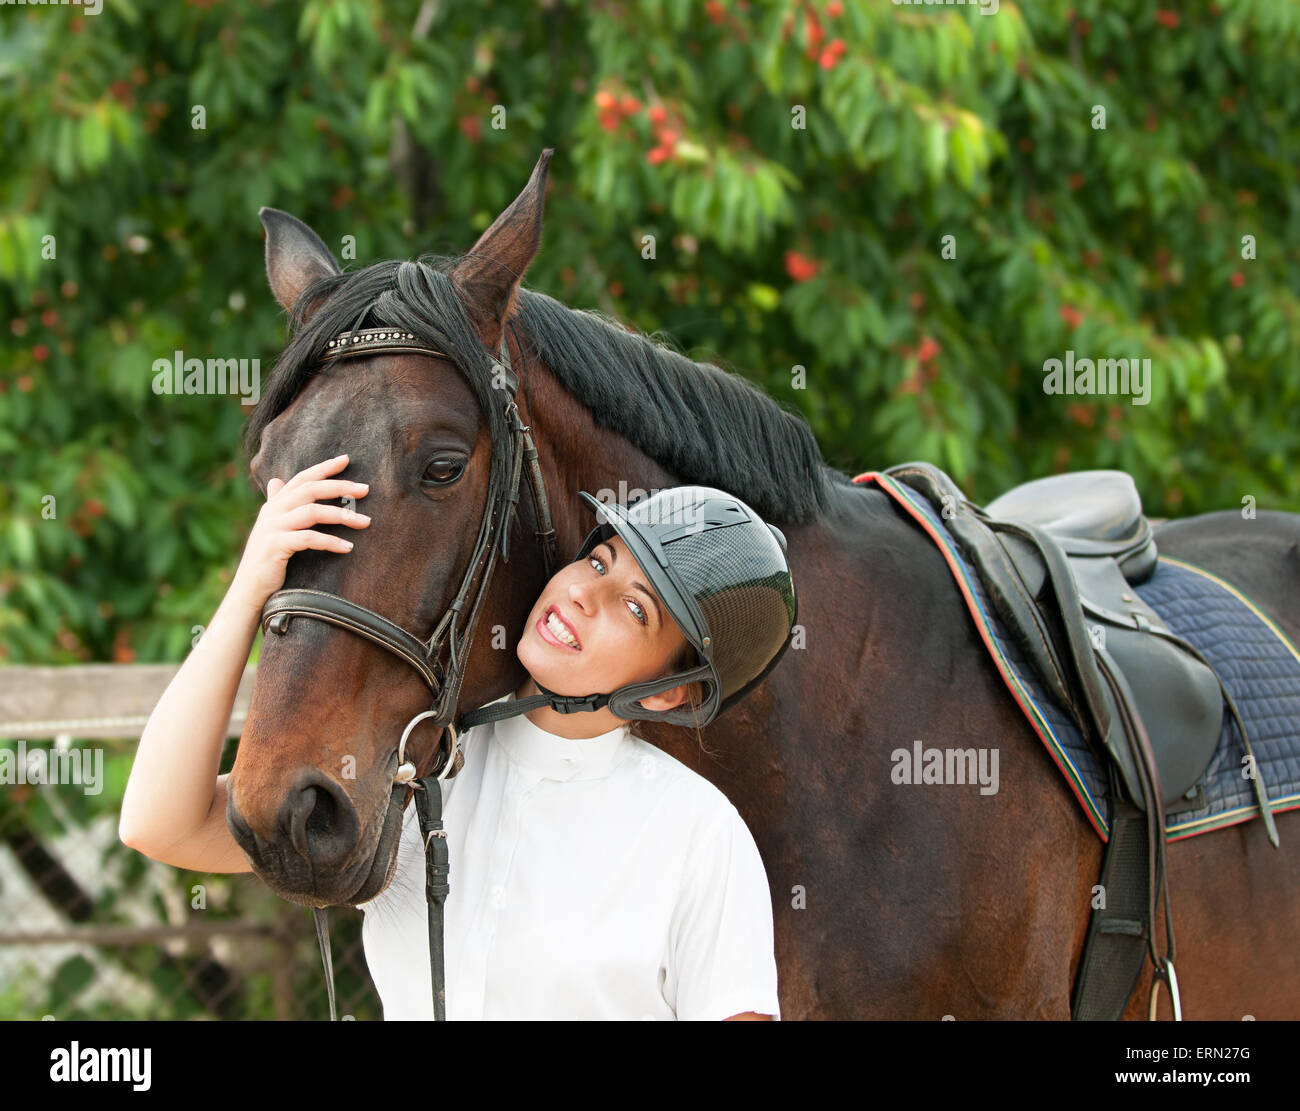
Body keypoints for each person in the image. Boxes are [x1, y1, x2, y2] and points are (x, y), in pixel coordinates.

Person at [120, 455, 798, 1021]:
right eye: (600, 562)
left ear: (666, 691)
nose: (587, 594)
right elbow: (163, 824)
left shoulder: (700, 834)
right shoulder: (414, 765)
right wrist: (250, 589)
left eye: (635, 606)